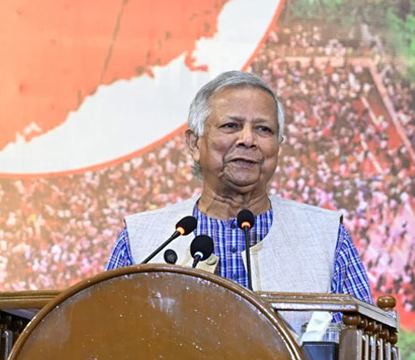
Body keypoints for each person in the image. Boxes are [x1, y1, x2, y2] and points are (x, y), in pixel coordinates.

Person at [106, 70, 372, 326]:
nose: (247, 140)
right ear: (194, 143)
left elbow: (367, 343)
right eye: (231, 126)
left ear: (278, 146)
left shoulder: (327, 236)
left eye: (264, 129)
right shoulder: (142, 239)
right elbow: (105, 335)